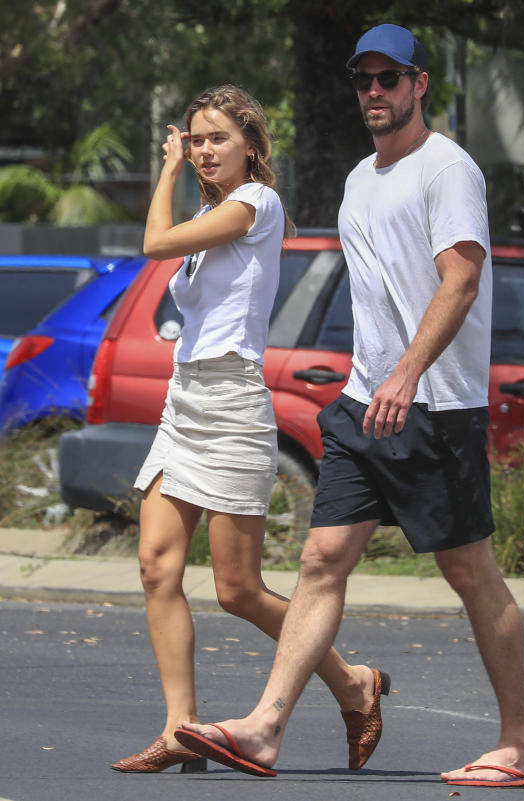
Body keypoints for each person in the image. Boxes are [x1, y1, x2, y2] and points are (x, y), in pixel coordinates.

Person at [175, 26, 524, 789]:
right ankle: (266, 726)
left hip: (433, 407)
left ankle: (522, 745)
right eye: (363, 80)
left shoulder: (448, 170)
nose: (374, 93)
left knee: (470, 572)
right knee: (321, 559)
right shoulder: (359, 178)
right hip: (362, 404)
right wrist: (374, 379)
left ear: (420, 84)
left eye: (389, 78)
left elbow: (460, 281)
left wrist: (408, 373)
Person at [111, 84, 388, 774]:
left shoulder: (257, 205)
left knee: (237, 587)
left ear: (252, 146)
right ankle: (180, 727)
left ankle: (354, 681)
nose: (204, 150)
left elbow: (152, 243)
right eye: (197, 139)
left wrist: (167, 168)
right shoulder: (215, 221)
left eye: (217, 139)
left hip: (234, 405)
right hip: (186, 400)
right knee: (156, 567)